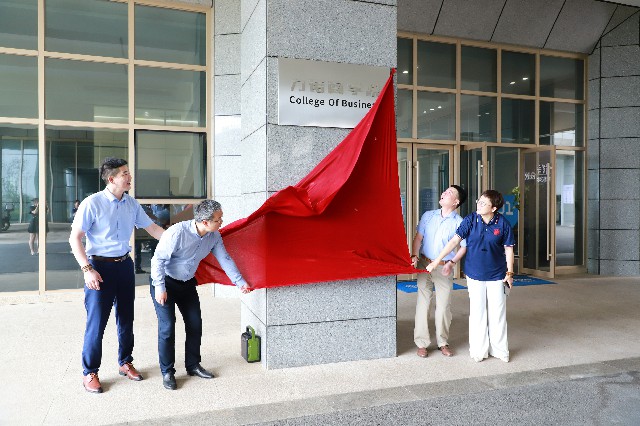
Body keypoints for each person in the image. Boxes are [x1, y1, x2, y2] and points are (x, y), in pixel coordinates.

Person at [69, 157, 165, 394]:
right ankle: (89, 372)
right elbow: (75, 238)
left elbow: (153, 229)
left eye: (128, 173)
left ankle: (125, 362)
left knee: (126, 318)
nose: (129, 177)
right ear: (111, 179)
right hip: (98, 268)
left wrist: (181, 240)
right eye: (125, 173)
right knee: (96, 323)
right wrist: (87, 269)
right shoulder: (92, 203)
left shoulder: (131, 204)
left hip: (124, 266)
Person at [150, 199, 252, 390]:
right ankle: (168, 372)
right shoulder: (177, 233)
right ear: (205, 222)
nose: (221, 222)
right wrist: (160, 287)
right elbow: (158, 261)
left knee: (195, 323)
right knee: (167, 327)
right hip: (165, 282)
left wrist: (240, 282)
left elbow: (225, 259)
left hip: (187, 283)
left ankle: (193, 365)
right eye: (218, 219)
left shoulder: (213, 236)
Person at [426, 190, 515, 363]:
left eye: (484, 203)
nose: (479, 205)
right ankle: (478, 351)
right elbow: (454, 242)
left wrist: (509, 273)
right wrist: (437, 261)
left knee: (497, 313)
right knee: (477, 312)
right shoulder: (470, 220)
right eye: (479, 201)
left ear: (494, 208)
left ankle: (499, 350)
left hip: (497, 274)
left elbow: (509, 249)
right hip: (474, 273)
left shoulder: (502, 223)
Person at [410, 185, 467, 358]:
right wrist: (414, 254)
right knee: (423, 303)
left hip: (444, 267)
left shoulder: (460, 222)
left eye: (449, 193)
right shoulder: (428, 216)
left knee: (443, 307)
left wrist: (452, 262)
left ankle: (442, 342)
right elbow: (418, 238)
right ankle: (422, 343)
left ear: (456, 202)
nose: (443, 193)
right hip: (424, 264)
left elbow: (463, 247)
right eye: (445, 191)